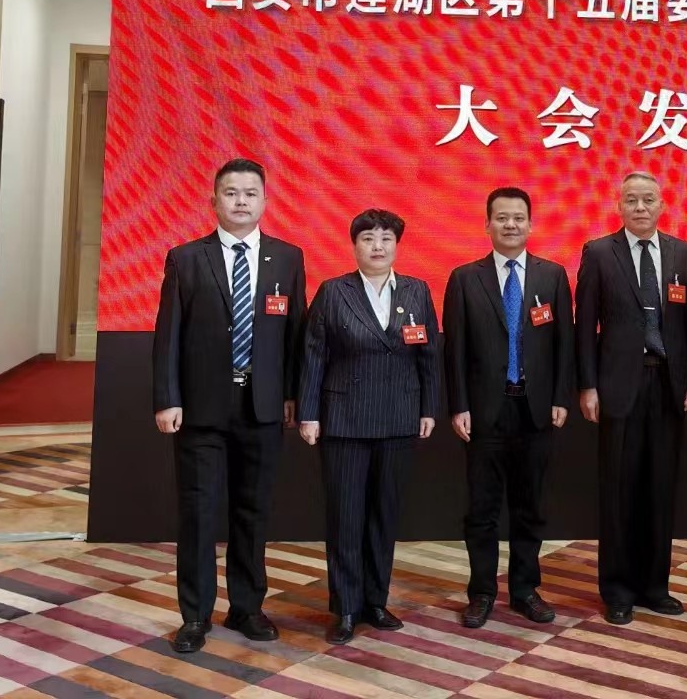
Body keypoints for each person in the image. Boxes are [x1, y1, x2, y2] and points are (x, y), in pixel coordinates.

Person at [152, 158, 306, 654]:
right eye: (231, 192)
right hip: (200, 409)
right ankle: (195, 615)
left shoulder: (287, 258)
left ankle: (247, 607)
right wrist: (167, 398)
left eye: (250, 193)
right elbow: (168, 335)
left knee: (252, 511)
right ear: (214, 200)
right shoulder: (186, 258)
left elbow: (295, 336)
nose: (241, 201)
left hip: (263, 406)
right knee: (198, 513)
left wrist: (292, 395)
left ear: (264, 201)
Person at [298, 209, 439, 644]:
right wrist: (309, 413)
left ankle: (376, 602)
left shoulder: (416, 291)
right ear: (354, 245)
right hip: (344, 421)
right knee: (346, 518)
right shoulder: (333, 291)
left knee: (384, 515)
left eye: (386, 239)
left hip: (399, 417)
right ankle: (345, 608)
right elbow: (313, 355)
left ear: (397, 245)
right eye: (368, 239)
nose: (377, 246)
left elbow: (429, 354)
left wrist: (429, 408)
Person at [576, 172, 687, 626]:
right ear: (619, 206)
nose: (640, 207)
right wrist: (588, 385)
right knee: (619, 490)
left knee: (660, 489)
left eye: (648, 199)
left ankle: (655, 586)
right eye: (631, 200)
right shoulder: (598, 253)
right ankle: (617, 590)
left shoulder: (681, 252)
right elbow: (584, 324)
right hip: (618, 386)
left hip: (669, 385)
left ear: (662, 205)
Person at [444, 187, 574, 629]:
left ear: (531, 224)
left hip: (536, 410)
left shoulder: (552, 276)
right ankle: (481, 592)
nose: (511, 225)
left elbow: (564, 344)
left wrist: (560, 397)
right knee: (482, 510)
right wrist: (458, 405)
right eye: (501, 218)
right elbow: (455, 350)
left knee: (529, 506)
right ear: (487, 225)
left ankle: (524, 589)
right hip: (484, 411)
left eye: (519, 217)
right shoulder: (465, 278)